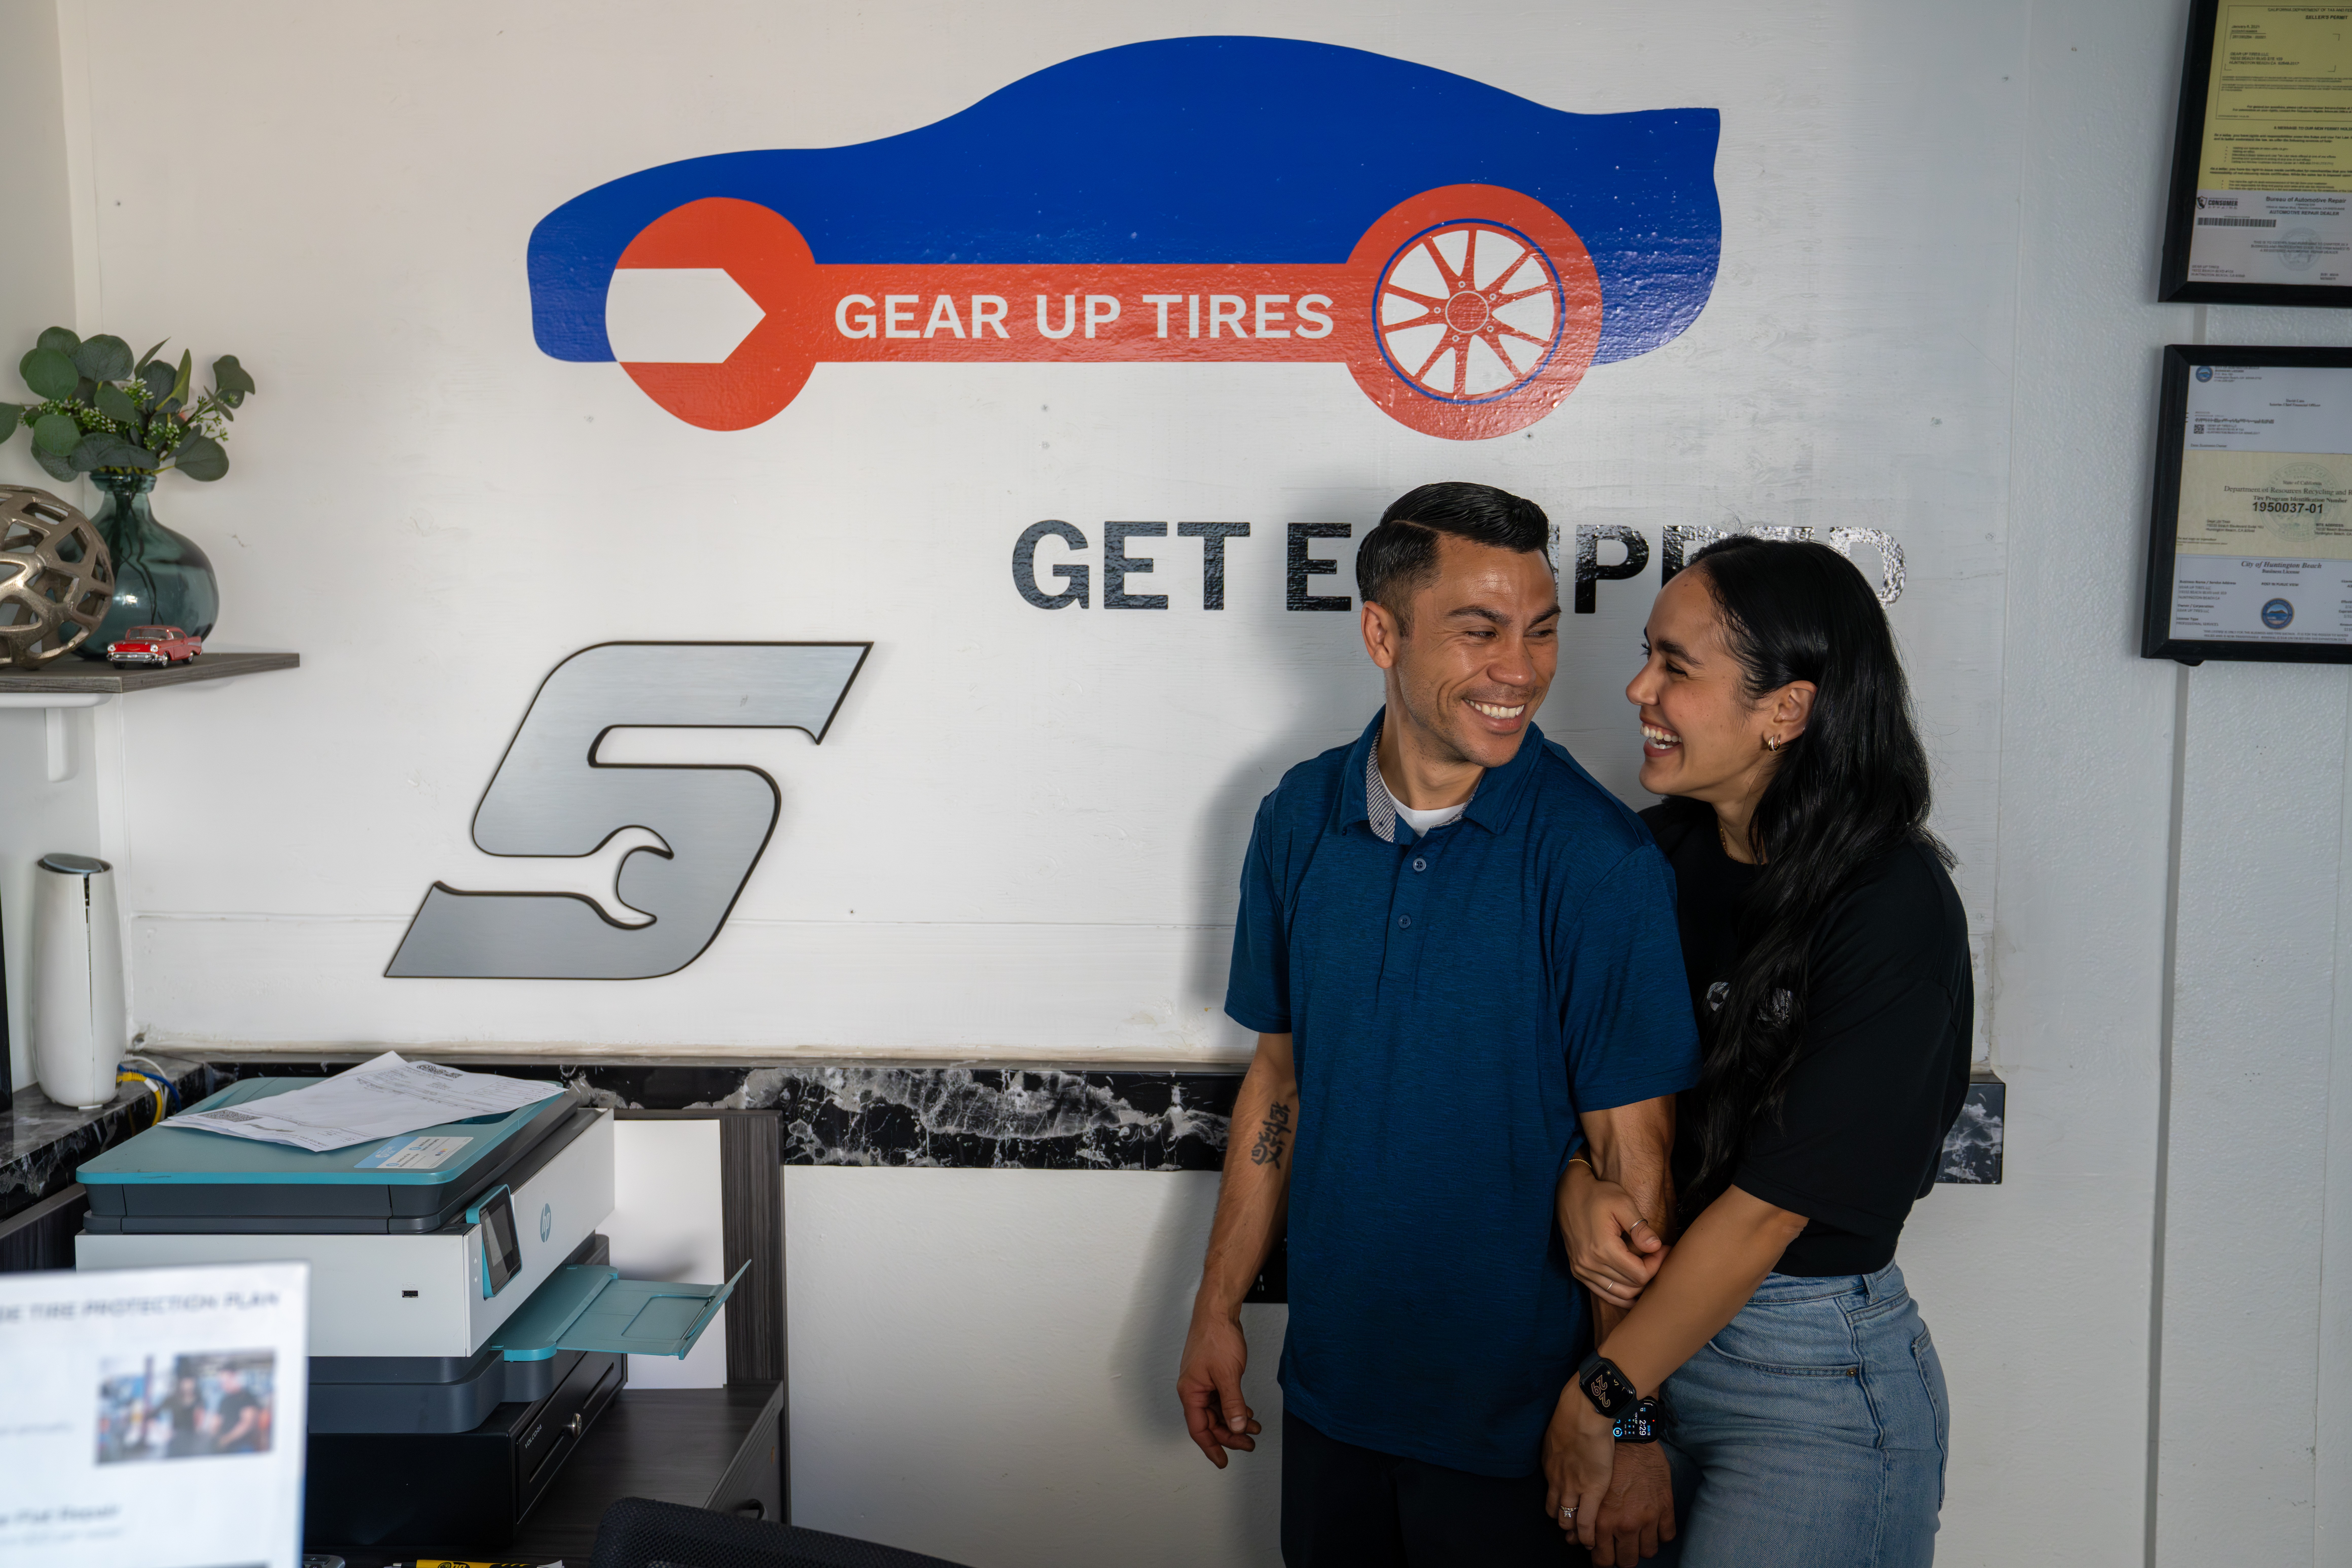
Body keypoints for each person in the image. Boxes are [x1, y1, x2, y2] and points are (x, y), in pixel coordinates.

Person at [1176, 481, 1702, 1565]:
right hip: (1330, 1397)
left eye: (1541, 630)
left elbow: (1630, 1165)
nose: (1521, 670)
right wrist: (1216, 1306)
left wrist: (1631, 1419)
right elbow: (1279, 1082)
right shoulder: (1296, 815)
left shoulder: (1598, 863)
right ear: (1381, 631)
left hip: (1521, 1429)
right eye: (1479, 631)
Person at [1548, 536, 1968, 1566]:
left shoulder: (1891, 903)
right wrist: (1574, 1183)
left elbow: (1769, 1209)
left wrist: (1598, 1401)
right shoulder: (1648, 860)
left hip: (1809, 1380)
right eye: (1648, 654)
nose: (1639, 687)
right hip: (1642, 1328)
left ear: (1787, 708)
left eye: (1675, 666)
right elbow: (1578, 1086)